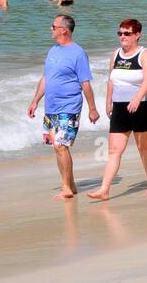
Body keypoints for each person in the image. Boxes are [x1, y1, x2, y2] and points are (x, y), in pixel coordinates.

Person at [27, 14, 98, 199]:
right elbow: (45, 78)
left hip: (70, 105)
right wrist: (35, 100)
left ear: (63, 30)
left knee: (61, 145)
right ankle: (70, 185)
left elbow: (85, 83)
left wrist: (92, 108)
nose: (50, 29)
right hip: (51, 107)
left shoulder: (78, 53)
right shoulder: (53, 51)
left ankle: (66, 188)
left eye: (53, 26)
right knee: (57, 147)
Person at [87, 18, 147, 200]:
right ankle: (104, 190)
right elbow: (112, 79)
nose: (122, 37)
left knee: (144, 147)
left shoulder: (144, 54)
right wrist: (108, 101)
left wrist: (136, 99)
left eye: (127, 33)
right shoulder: (116, 54)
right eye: (120, 33)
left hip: (142, 106)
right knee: (114, 150)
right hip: (120, 108)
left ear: (137, 35)